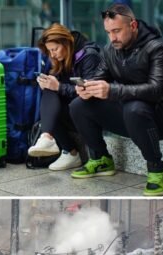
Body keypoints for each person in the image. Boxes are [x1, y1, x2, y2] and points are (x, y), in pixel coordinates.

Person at [68, 3, 163, 196]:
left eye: (117, 31)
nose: (112, 37)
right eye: (108, 32)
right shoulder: (109, 50)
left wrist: (112, 91)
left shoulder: (158, 49)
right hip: (131, 115)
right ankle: (100, 159)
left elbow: (155, 90)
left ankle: (157, 169)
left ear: (133, 25)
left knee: (134, 108)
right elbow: (100, 78)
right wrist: (88, 88)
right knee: (79, 105)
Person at [28, 23, 101, 171]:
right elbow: (56, 87)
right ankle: (51, 140)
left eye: (55, 49)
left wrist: (59, 87)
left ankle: (61, 146)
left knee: (54, 90)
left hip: (91, 110)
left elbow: (90, 93)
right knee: (49, 90)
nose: (52, 55)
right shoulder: (60, 58)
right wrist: (48, 83)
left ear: (66, 43)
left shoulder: (89, 56)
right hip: (72, 109)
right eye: (49, 51)